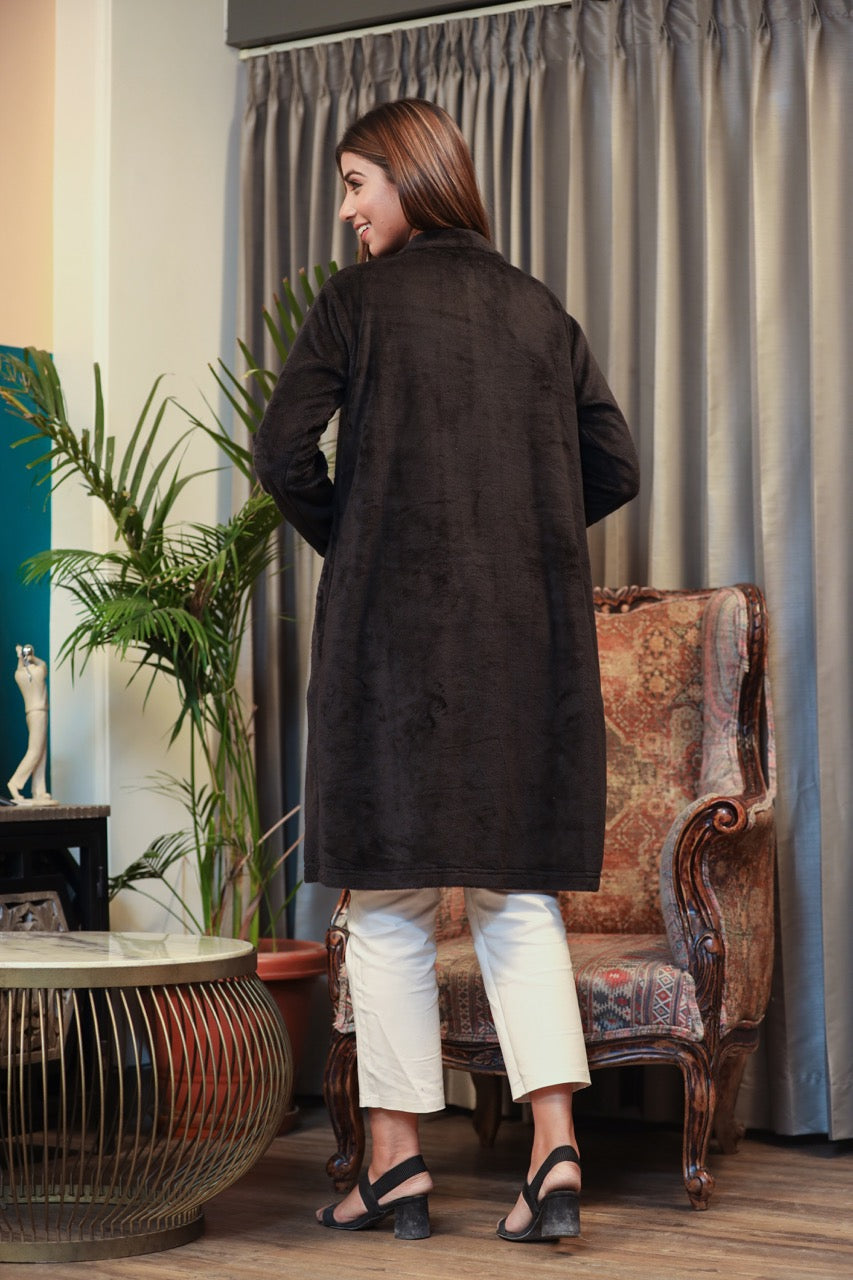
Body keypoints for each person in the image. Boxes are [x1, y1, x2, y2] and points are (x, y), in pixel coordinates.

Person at [254, 98, 639, 1244]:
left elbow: (281, 452)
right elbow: (613, 463)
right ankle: (555, 1151)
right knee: (519, 897)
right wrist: (517, 536)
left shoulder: (357, 302)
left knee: (388, 901)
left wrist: (362, 536)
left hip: (391, 648)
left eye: (356, 182)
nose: (345, 208)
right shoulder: (537, 308)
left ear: (413, 178)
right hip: (526, 648)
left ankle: (398, 1165)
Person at [8, 644, 55, 805]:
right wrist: (32, 658)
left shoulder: (19, 675)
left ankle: (39, 791)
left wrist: (21, 657)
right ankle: (15, 782)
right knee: (35, 751)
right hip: (38, 713)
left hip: (32, 713)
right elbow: (44, 665)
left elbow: (20, 668)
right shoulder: (37, 671)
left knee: (41, 752)